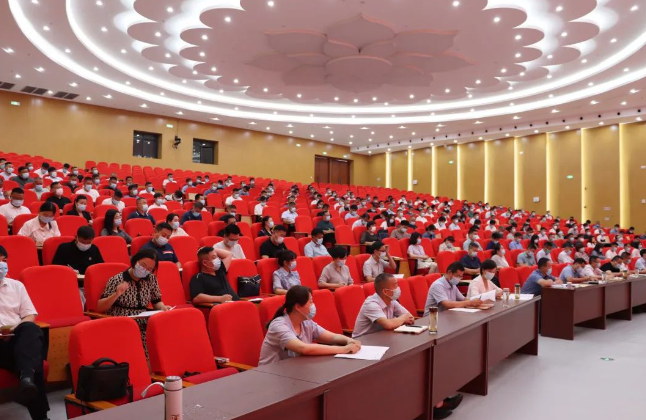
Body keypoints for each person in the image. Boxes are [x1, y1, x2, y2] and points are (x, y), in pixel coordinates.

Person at [0, 245, 50, 420]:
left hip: (16, 339)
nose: (2, 265)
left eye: (4, 261)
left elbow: (30, 314)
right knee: (33, 358)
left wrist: (15, 329)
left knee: (30, 328)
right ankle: (40, 416)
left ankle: (26, 378)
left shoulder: (16, 286)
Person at [259, 285, 360, 365]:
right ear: (298, 307)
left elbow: (332, 337)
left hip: (294, 370)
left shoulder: (306, 322)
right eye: (310, 302)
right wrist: (344, 349)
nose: (313, 306)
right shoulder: (278, 326)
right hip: (271, 375)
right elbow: (303, 348)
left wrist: (349, 341)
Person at [97, 249, 171, 353]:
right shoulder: (118, 279)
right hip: (122, 322)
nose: (145, 270)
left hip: (143, 321)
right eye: (143, 265)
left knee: (165, 335)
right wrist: (116, 294)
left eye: (149, 269)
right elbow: (100, 307)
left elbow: (156, 301)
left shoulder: (151, 279)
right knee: (144, 340)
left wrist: (163, 307)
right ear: (135, 260)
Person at [353, 273, 414, 337]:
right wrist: (403, 318)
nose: (398, 288)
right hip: (362, 340)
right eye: (395, 285)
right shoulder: (371, 304)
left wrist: (398, 320)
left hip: (382, 337)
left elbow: (410, 317)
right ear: (385, 291)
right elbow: (388, 324)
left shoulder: (392, 300)